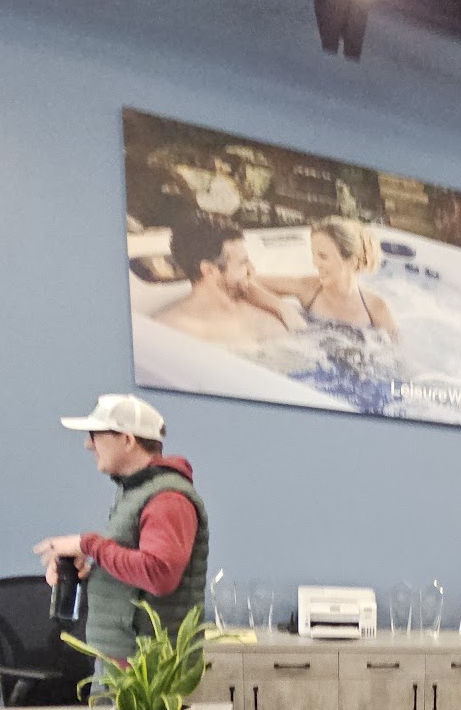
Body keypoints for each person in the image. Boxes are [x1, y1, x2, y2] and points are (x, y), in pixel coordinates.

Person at [33, 394, 209, 664]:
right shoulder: (138, 493)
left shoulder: (167, 499)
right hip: (125, 666)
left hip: (148, 676)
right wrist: (93, 572)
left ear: (127, 440)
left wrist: (88, 545)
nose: (88, 444)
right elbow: (135, 579)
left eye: (95, 435)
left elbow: (159, 574)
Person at [156, 211, 291, 344]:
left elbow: (296, 333)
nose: (252, 270)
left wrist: (278, 305)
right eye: (242, 263)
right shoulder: (174, 330)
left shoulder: (255, 309)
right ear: (209, 270)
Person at [251, 216, 398, 337]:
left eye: (323, 256)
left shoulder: (376, 308)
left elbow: (397, 355)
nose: (315, 263)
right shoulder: (308, 289)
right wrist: (281, 307)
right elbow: (248, 281)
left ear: (351, 262)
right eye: (314, 254)